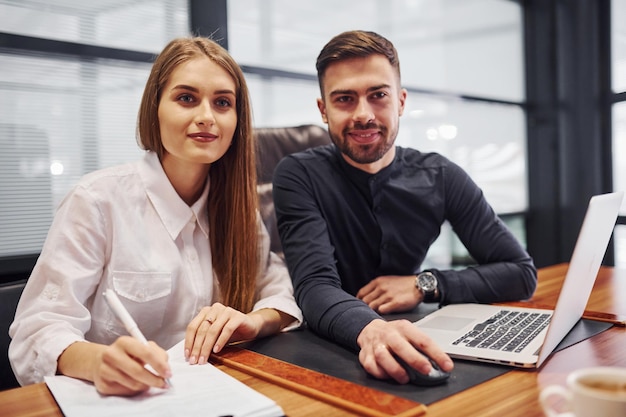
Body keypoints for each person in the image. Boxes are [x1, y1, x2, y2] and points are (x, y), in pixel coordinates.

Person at [9, 37, 302, 396]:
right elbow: (35, 333)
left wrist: (252, 323)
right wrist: (97, 362)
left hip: (215, 396)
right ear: (155, 109)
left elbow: (280, 288)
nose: (206, 117)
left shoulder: (238, 210)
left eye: (222, 102)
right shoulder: (97, 201)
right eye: (186, 98)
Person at [272, 30, 537, 384]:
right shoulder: (298, 174)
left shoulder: (441, 176)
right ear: (324, 110)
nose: (363, 115)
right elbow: (314, 286)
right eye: (345, 99)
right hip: (327, 345)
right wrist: (373, 329)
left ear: (400, 101)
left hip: (419, 332)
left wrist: (425, 284)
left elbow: (520, 273)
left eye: (378, 95)